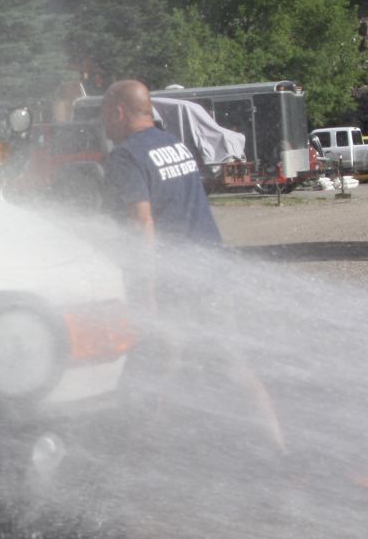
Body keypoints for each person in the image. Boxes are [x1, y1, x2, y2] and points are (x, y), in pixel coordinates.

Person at [100, 78, 285, 455]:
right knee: (230, 366)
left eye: (105, 113)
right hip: (209, 271)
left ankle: (138, 456)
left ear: (118, 112)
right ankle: (279, 449)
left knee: (155, 364)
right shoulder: (174, 144)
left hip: (172, 280)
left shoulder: (126, 156)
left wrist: (147, 290)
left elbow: (142, 223)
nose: (102, 122)